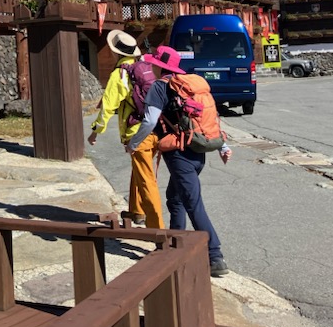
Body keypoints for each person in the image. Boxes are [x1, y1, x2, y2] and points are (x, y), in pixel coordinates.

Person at [128, 45, 232, 277]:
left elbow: (149, 121)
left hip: (179, 155)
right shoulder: (190, 86)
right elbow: (210, 118)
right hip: (198, 151)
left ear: (158, 65)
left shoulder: (160, 87)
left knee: (192, 203)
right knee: (175, 199)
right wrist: (222, 146)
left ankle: (215, 255)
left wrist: (133, 144)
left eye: (154, 63)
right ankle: (175, 246)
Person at [88, 30, 164, 229]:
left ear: (116, 53)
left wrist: (96, 131)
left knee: (147, 180)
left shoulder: (120, 73)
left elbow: (108, 107)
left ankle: (157, 229)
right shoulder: (145, 67)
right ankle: (136, 211)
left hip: (138, 133)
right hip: (156, 128)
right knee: (140, 172)